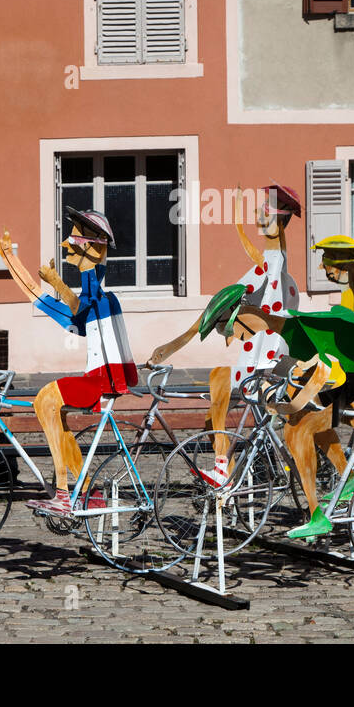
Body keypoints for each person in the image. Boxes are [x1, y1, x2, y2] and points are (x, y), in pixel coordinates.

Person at [196, 285, 354, 540]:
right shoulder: (285, 330)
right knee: (304, 420)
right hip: (351, 367)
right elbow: (295, 370)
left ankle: (317, 517)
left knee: (297, 431)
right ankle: (349, 480)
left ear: (244, 318)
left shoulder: (297, 329)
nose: (230, 338)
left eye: (228, 330)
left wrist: (286, 406)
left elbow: (320, 371)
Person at [148, 184, 302, 487]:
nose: (259, 214)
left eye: (267, 210)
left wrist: (175, 344)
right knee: (218, 415)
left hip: (264, 360)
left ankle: (224, 471)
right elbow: (223, 303)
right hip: (264, 357)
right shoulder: (273, 269)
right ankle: (231, 472)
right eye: (261, 209)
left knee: (220, 383)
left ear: (280, 221)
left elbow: (221, 302)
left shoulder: (271, 268)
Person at [0, 208, 135, 516]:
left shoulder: (102, 299)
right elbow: (47, 303)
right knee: (58, 419)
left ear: (93, 244)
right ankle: (86, 491)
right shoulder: (93, 299)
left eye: (76, 235)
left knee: (45, 399)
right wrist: (9, 259)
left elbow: (82, 302)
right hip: (98, 378)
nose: (68, 243)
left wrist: (56, 281)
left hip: (102, 381)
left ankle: (62, 494)